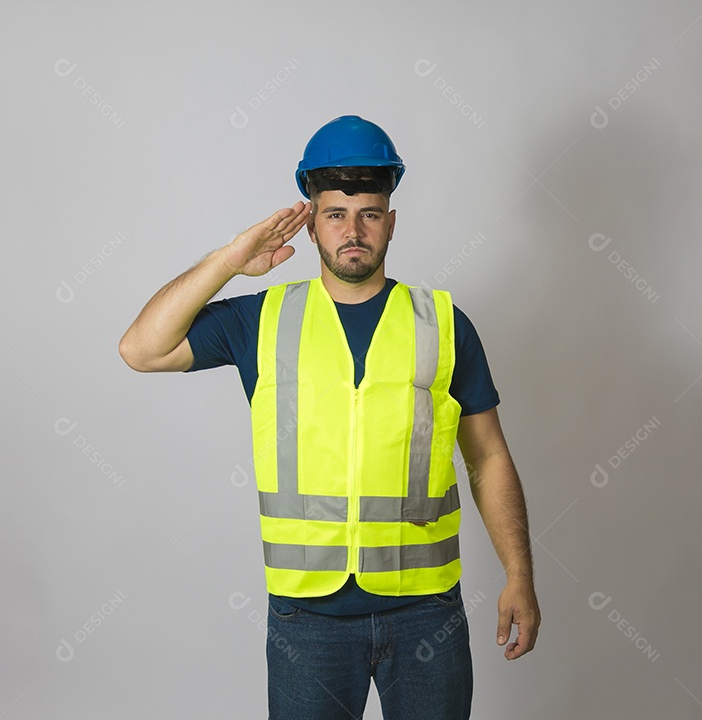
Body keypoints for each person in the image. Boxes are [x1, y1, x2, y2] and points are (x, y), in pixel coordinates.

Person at [119, 115, 540, 719]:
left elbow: (489, 456)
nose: (353, 230)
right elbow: (141, 348)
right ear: (311, 221)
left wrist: (518, 575)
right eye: (335, 213)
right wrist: (229, 260)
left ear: (390, 222)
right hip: (306, 621)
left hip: (426, 611)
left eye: (369, 213)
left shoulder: (444, 324)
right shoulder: (261, 321)